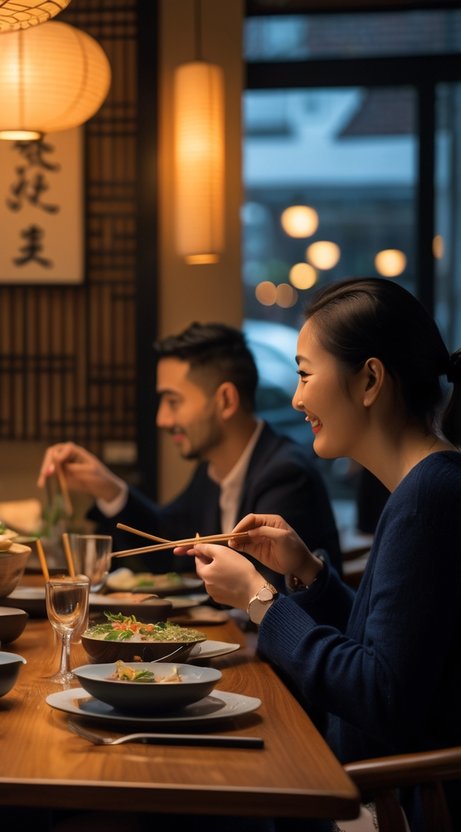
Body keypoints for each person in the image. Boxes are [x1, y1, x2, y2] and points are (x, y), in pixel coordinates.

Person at [180, 279, 461, 829]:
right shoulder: (424, 488)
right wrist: (306, 572)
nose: (297, 398)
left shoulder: (431, 497)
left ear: (370, 380)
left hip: (387, 803)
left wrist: (260, 600)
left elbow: (380, 696)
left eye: (306, 374)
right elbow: (390, 650)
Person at [37, 322, 341, 583]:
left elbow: (270, 596)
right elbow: (170, 546)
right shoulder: (213, 468)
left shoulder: (285, 476)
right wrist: (107, 488)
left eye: (173, 401)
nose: (162, 420)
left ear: (225, 400)